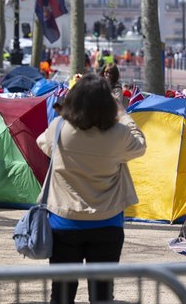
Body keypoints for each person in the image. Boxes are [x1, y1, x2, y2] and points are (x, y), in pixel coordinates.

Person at [36, 73, 146, 304]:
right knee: (102, 293)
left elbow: (42, 143)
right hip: (107, 221)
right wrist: (122, 113)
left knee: (62, 292)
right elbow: (140, 145)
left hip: (64, 221)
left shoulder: (59, 128)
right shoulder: (119, 134)